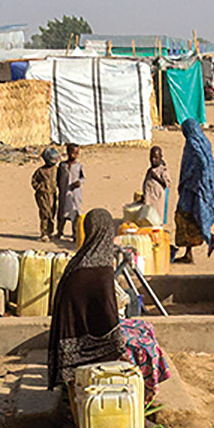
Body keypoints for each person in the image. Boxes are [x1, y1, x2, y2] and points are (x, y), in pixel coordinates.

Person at [48, 211, 173, 397]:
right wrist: (120, 351)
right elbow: (108, 319)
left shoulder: (80, 261)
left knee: (144, 327)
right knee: (145, 348)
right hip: (89, 347)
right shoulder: (100, 271)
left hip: (73, 339)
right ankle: (140, 401)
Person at [172, 114, 214, 263]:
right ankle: (191, 251)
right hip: (205, 185)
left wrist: (193, 178)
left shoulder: (192, 143)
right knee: (195, 216)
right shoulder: (204, 141)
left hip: (193, 186)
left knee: (184, 217)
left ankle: (201, 244)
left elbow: (200, 162)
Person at [55, 144, 86, 244]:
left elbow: (83, 178)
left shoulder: (79, 166)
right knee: (62, 213)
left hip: (75, 194)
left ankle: (75, 234)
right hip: (64, 193)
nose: (76, 155)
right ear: (68, 153)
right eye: (74, 153)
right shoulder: (62, 165)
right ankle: (60, 232)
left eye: (77, 153)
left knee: (75, 214)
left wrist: (79, 182)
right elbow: (57, 178)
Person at [139, 144, 172, 228]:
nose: (153, 160)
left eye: (156, 158)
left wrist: (156, 178)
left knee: (157, 220)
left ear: (160, 157)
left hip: (157, 199)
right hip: (149, 198)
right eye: (152, 157)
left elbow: (167, 184)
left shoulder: (162, 170)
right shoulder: (150, 170)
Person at [33, 146, 61, 240]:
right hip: (42, 195)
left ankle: (50, 231)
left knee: (52, 213)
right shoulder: (40, 171)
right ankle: (44, 233)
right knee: (44, 213)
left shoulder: (56, 170)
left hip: (52, 194)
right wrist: (40, 188)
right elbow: (34, 182)